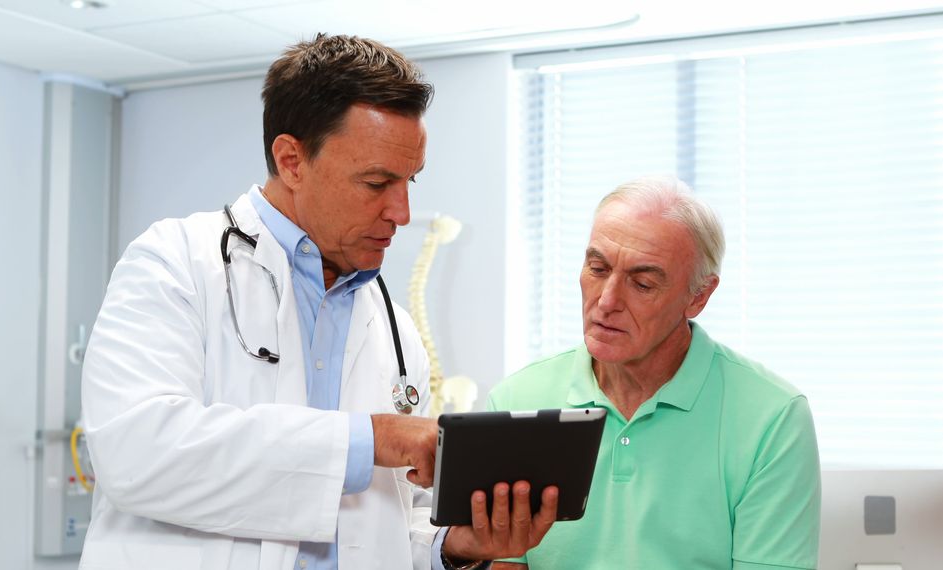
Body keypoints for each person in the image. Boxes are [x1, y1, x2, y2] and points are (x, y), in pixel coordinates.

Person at [80, 34, 556, 570]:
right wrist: (372, 439)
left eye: (409, 181)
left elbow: (395, 520)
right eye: (376, 182)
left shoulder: (392, 331)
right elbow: (138, 455)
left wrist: (453, 545)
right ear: (291, 161)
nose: (401, 211)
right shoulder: (175, 265)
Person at [487, 175, 821, 569]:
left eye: (642, 284)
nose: (607, 301)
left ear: (698, 296)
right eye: (597, 268)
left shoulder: (773, 419)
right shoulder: (515, 403)